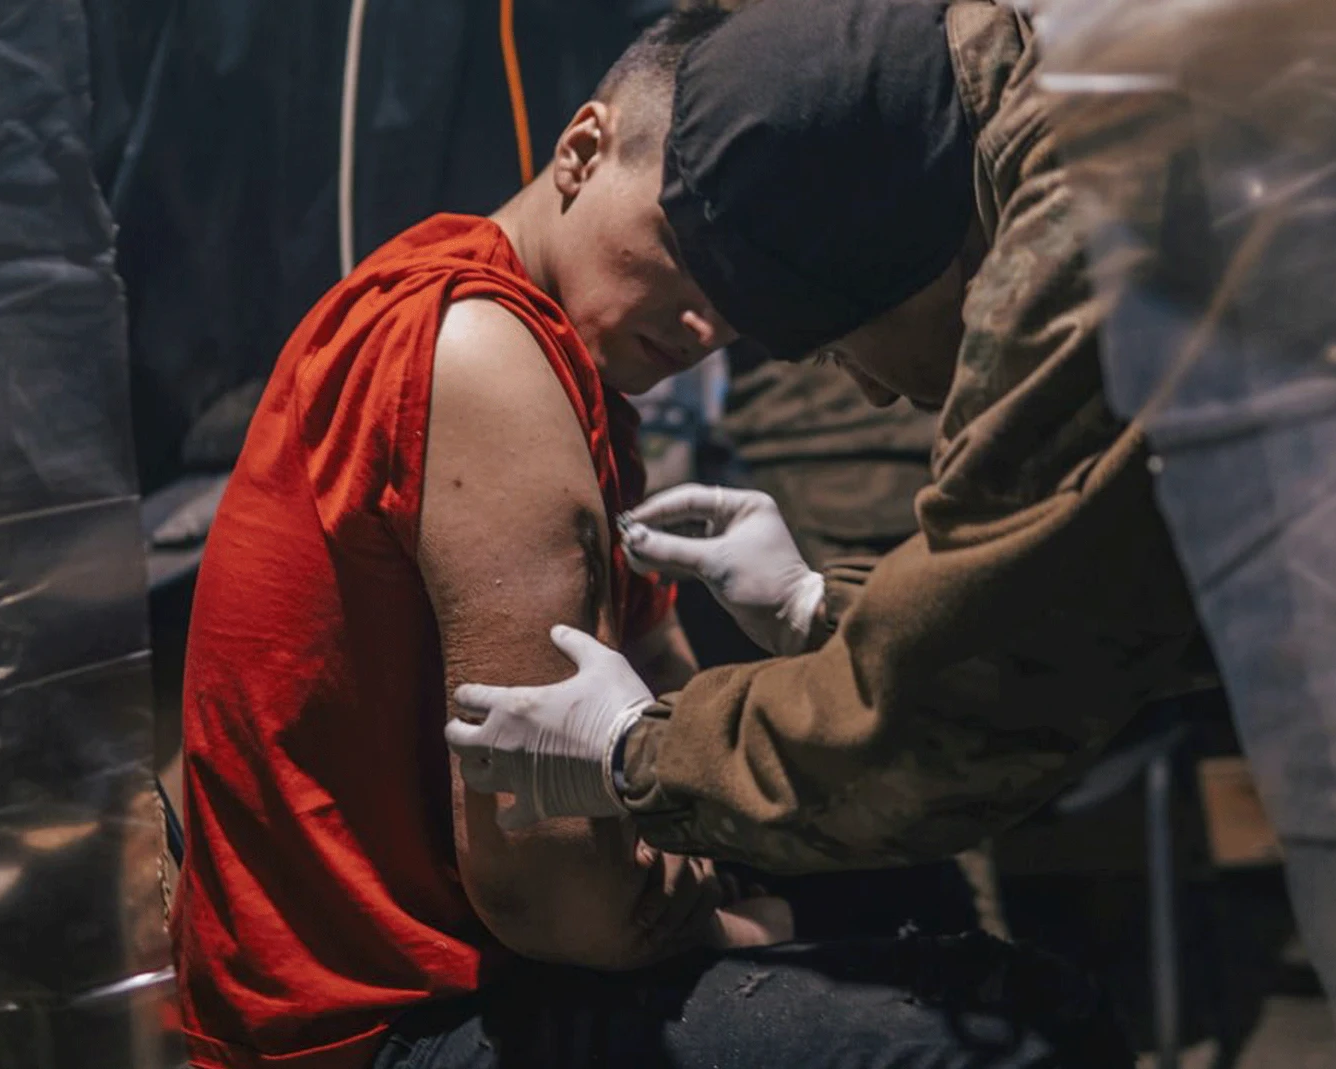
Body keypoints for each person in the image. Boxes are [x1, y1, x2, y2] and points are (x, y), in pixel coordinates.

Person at [176, 11, 1133, 1069]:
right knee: (1003, 1033)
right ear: (582, 150)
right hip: (376, 1027)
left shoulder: (574, 377)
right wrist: (763, 926)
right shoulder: (487, 351)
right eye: (686, 246)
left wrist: (815, 610)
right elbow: (554, 890)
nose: (705, 326)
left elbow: (669, 706)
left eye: (739, 292)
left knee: (912, 885)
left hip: (464, 973)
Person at [448, 0, 1204, 873]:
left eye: (840, 348)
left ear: (892, 263)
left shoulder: (1087, 202)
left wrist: (636, 751)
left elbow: (956, 716)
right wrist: (824, 608)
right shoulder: (1072, 97)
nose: (878, 392)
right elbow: (1085, 613)